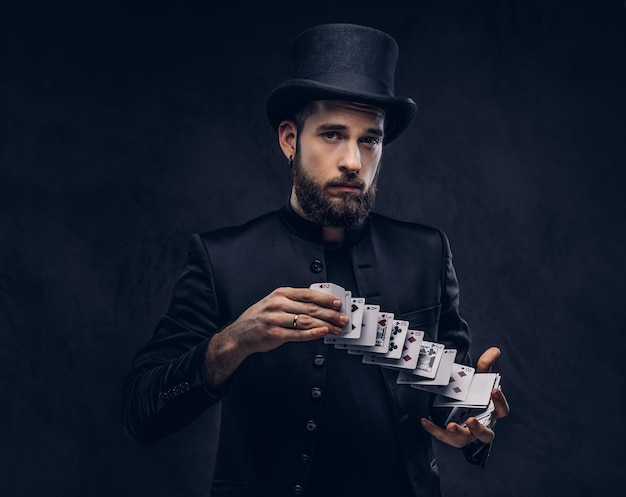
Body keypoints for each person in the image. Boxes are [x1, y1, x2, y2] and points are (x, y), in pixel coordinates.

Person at [122, 22, 509, 497]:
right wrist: (230, 344)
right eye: (332, 135)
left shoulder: (426, 251)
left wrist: (471, 418)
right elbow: (141, 413)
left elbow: (451, 389)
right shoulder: (221, 258)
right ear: (289, 139)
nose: (353, 161)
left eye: (370, 140)